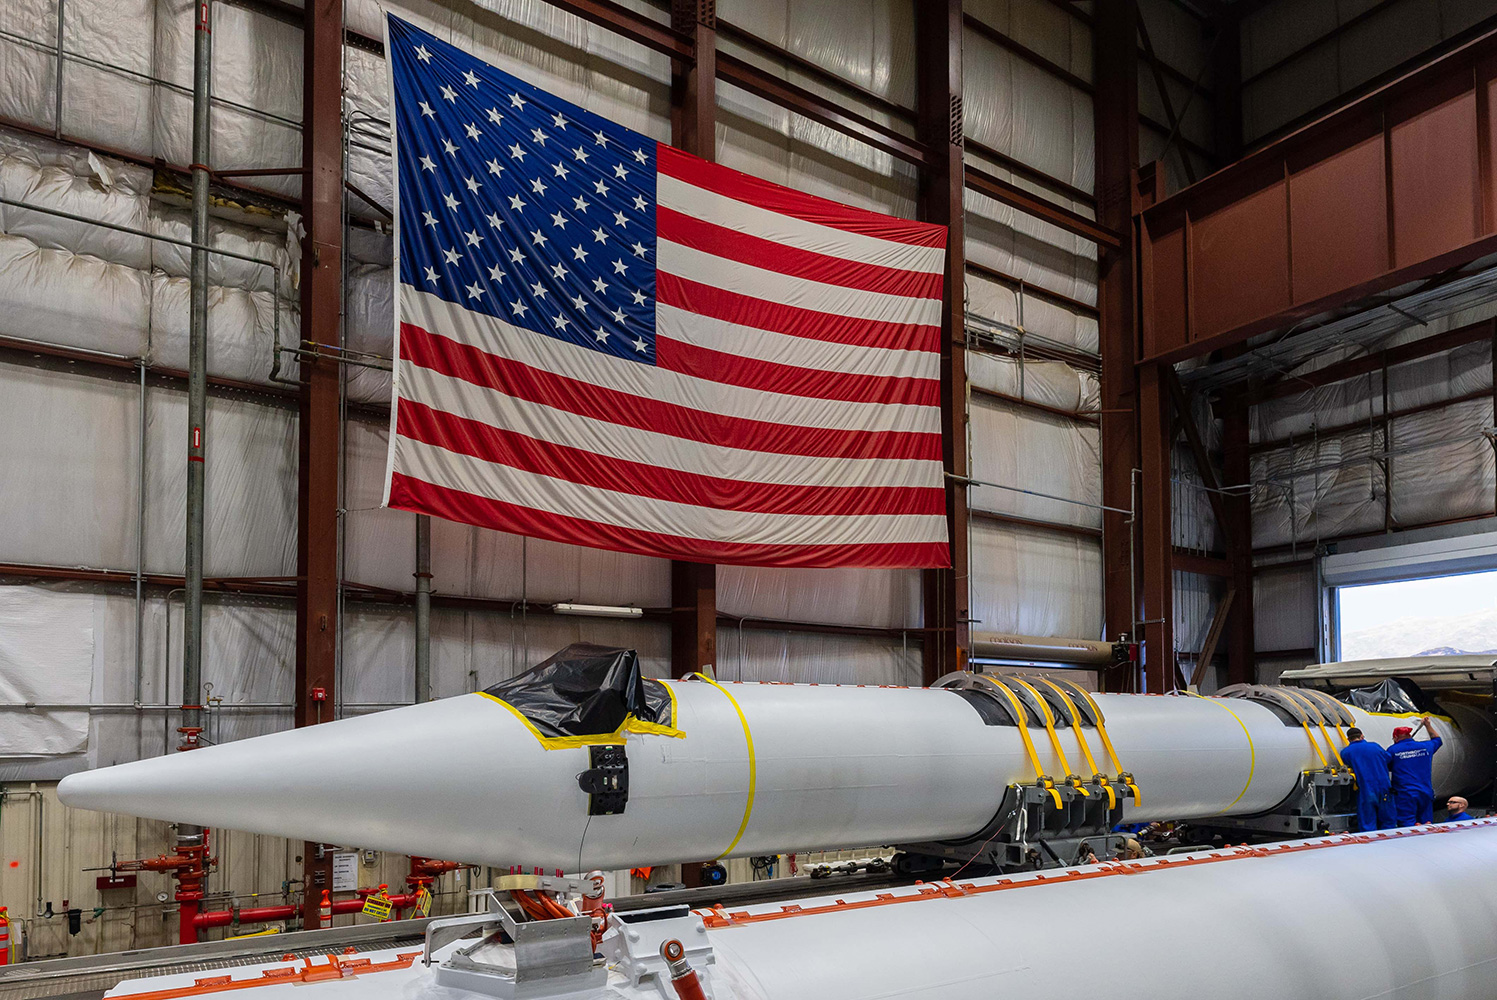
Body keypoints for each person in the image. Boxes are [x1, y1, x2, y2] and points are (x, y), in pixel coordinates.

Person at [1339, 727, 1395, 831]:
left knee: (1368, 823)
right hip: (1384, 787)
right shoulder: (1375, 746)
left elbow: (1348, 763)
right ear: (1362, 736)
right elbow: (1388, 758)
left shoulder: (1346, 752)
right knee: (1388, 821)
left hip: (1366, 789)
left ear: (1348, 739)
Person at [1389, 717, 1443, 826]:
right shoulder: (1425, 747)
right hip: (1425, 792)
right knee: (1427, 823)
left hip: (1405, 793)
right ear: (1410, 735)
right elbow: (1437, 740)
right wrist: (1427, 725)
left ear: (1395, 738)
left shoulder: (1393, 750)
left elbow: (1388, 766)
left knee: (1407, 824)